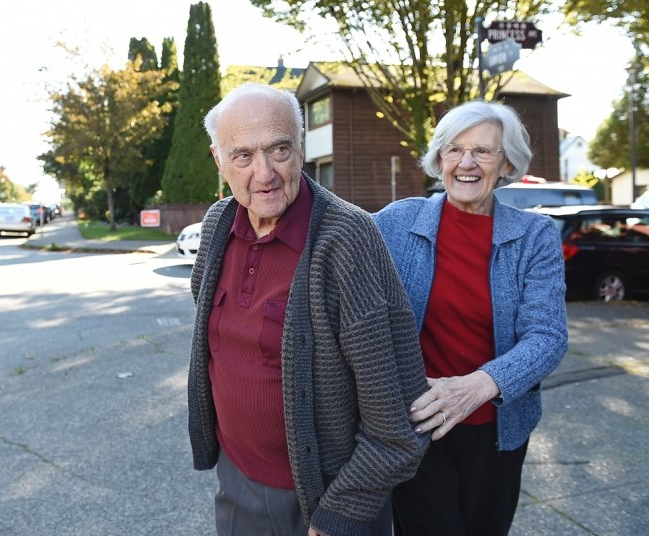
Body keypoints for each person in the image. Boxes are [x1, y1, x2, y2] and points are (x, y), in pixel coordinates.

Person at [187, 82, 430, 536]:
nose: (264, 174)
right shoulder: (219, 222)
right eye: (242, 156)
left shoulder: (348, 239)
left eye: (279, 150)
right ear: (218, 160)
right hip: (236, 478)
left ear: (300, 148)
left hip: (325, 500)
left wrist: (339, 516)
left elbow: (396, 422)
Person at [372, 100, 569, 535]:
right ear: (439, 158)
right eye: (454, 149)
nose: (466, 163)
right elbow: (333, 257)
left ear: (507, 163)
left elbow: (548, 336)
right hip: (416, 423)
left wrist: (476, 387)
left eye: (483, 151)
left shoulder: (534, 237)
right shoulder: (395, 223)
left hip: (497, 430)